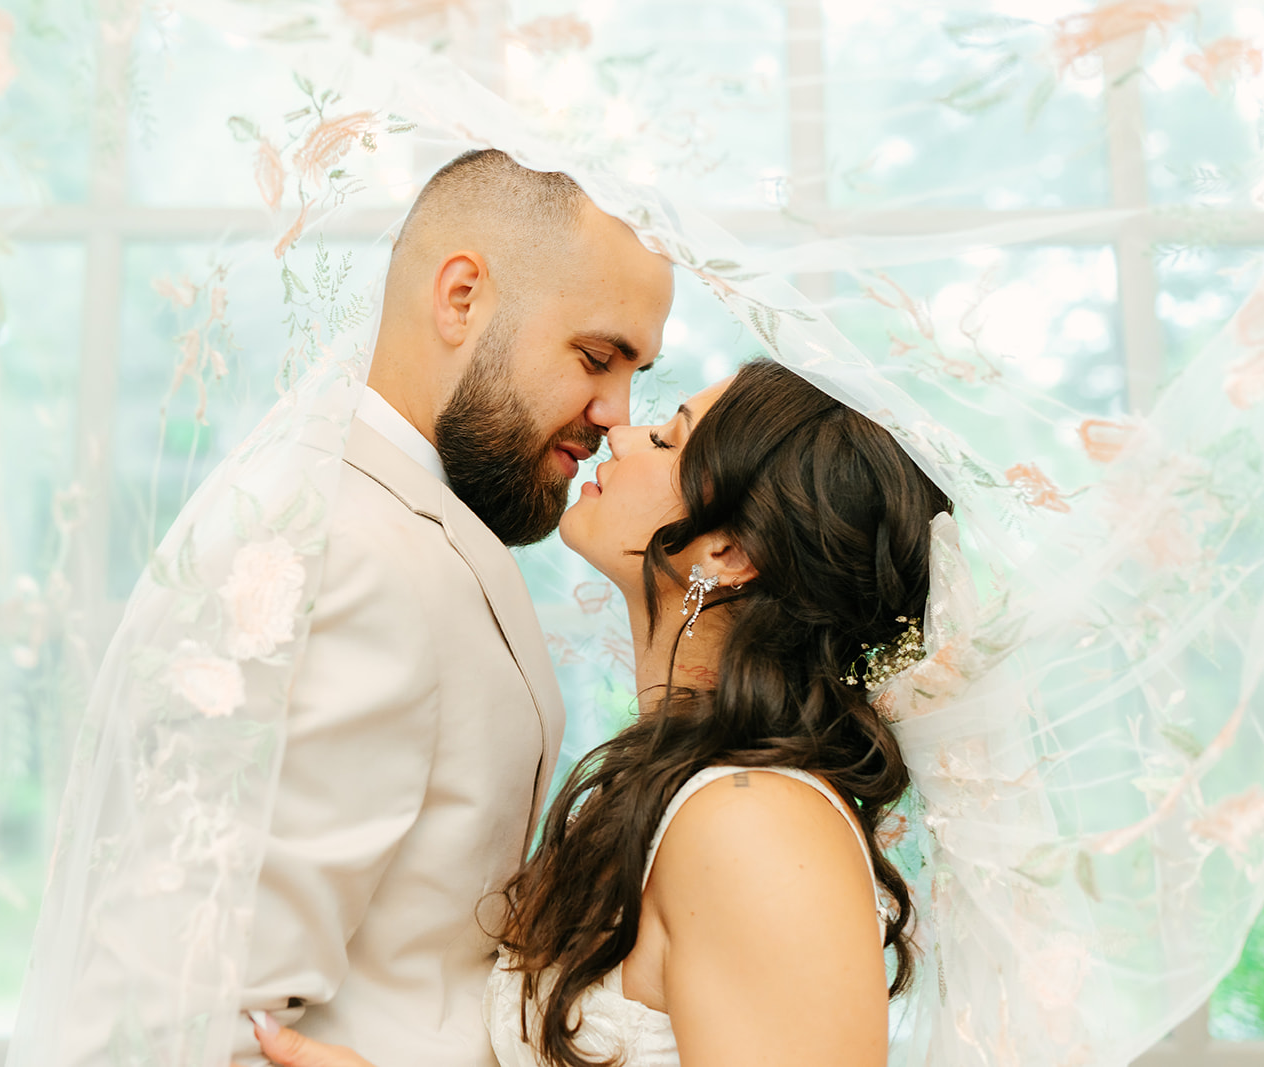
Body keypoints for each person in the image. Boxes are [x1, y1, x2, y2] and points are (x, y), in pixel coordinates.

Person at [14, 148, 673, 1067]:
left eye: (636, 372)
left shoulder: (405, 517)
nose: (617, 410)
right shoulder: (343, 555)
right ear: (460, 297)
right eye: (598, 357)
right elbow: (178, 1017)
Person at [243, 358, 947, 1066]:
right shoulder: (688, 791)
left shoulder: (755, 822)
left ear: (730, 550)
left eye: (668, 441)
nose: (622, 434)